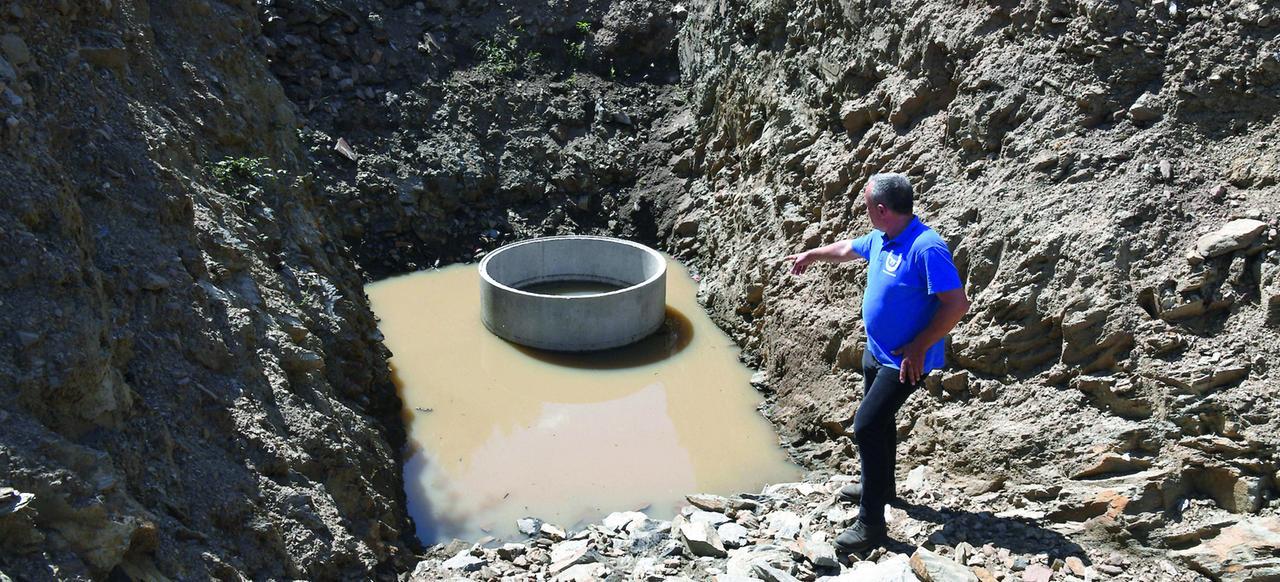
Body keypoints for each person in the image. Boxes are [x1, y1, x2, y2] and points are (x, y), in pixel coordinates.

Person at [783, 173, 970, 553]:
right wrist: (812, 255)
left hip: (904, 361)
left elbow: (956, 304)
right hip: (877, 351)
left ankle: (871, 525)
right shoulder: (883, 238)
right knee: (880, 423)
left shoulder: (926, 247)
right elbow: (846, 250)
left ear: (882, 210)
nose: (865, 212)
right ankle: (881, 487)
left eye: (867, 206)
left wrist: (918, 347)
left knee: (865, 426)